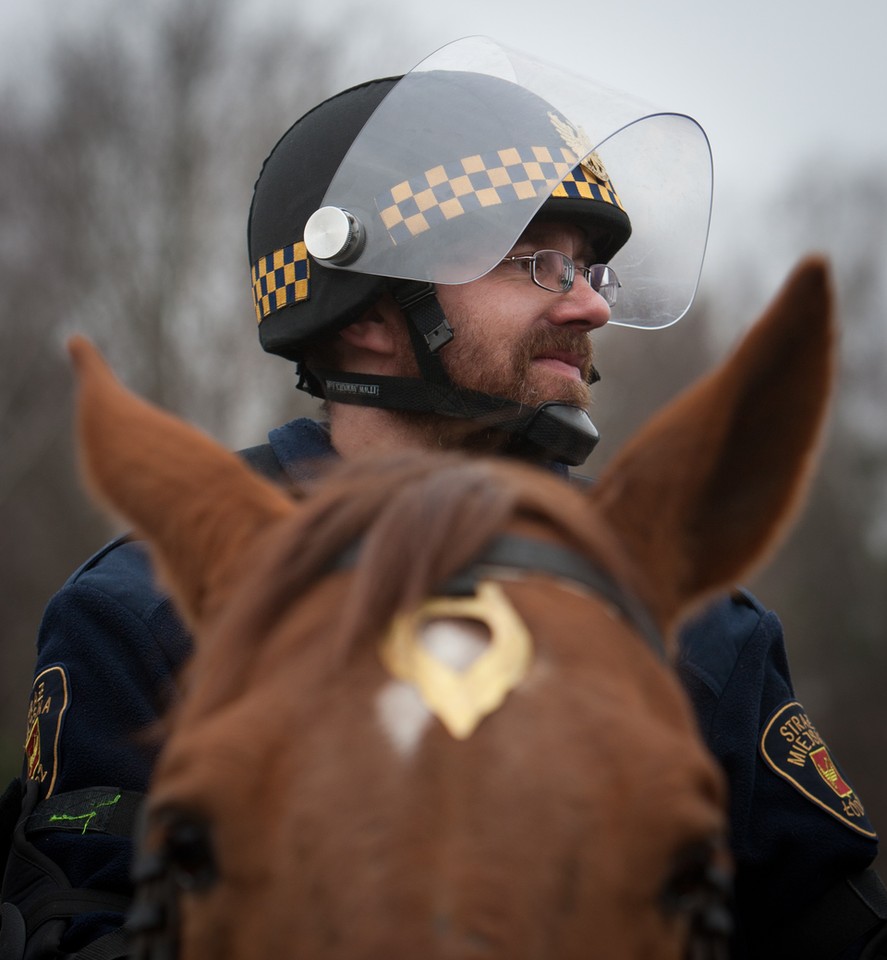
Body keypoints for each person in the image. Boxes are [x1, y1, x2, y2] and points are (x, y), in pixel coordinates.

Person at [1, 37, 885, 960]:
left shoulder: (699, 627)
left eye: (591, 271)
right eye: (535, 262)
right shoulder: (146, 609)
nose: (587, 306)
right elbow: (75, 930)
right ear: (372, 314)